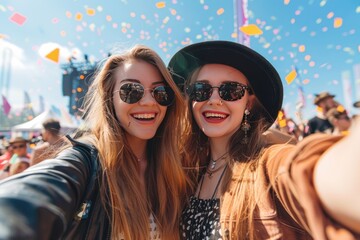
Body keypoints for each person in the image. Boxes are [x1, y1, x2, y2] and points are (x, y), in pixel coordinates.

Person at [168, 40, 360, 239]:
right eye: (201, 89)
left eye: (231, 90)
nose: (214, 99)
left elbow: (314, 173)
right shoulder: (185, 169)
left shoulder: (269, 166)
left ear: (248, 103)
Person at [0, 45, 189, 239]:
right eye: (131, 90)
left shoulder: (175, 168)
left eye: (160, 91)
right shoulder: (86, 161)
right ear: (110, 98)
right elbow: (22, 199)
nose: (149, 101)